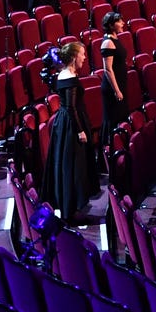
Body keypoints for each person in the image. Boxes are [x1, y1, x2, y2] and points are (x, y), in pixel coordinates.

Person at [43, 41, 95, 223]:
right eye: (82, 54)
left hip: (65, 123)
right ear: (73, 57)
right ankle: (68, 211)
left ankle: (70, 208)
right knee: (70, 167)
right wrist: (80, 131)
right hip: (70, 127)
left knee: (70, 166)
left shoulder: (66, 74)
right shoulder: (68, 78)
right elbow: (71, 108)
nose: (84, 57)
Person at [97, 11, 129, 142]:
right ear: (111, 25)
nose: (123, 23)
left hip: (120, 84)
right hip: (112, 88)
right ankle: (111, 149)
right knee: (113, 119)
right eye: (119, 21)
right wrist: (117, 90)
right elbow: (108, 69)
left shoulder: (115, 39)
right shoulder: (108, 42)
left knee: (121, 116)